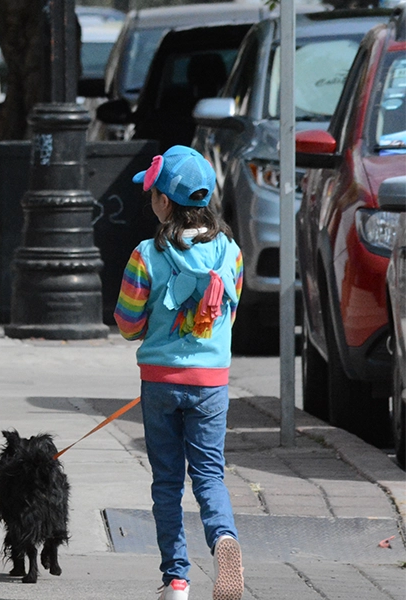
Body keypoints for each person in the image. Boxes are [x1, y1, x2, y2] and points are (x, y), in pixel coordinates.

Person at [114, 145, 245, 600]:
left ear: (164, 202)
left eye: (152, 193)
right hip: (212, 385)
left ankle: (176, 579)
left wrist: (157, 325)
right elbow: (230, 315)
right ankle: (225, 539)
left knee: (167, 481)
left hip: (161, 383)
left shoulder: (146, 255)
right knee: (209, 475)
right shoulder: (230, 253)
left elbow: (128, 325)